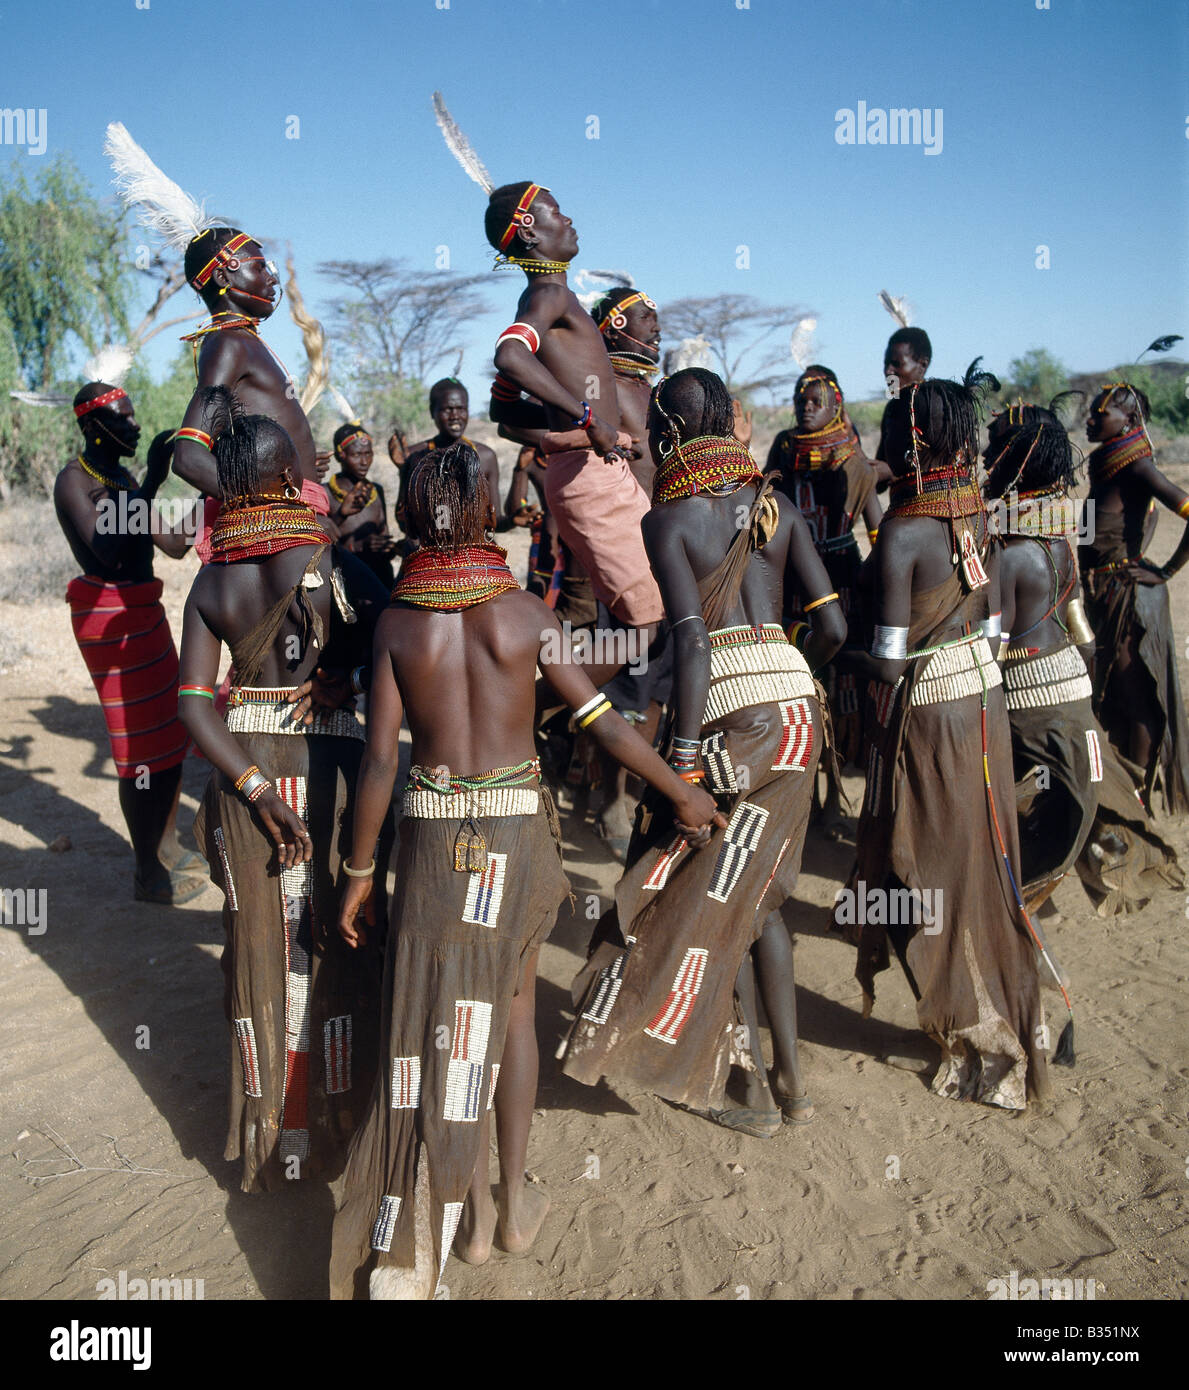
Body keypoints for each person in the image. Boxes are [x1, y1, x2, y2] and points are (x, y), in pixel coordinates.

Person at [329, 440, 719, 1299]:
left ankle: (443, 1209)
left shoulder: (396, 623)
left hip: (429, 839)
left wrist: (358, 872)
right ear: (482, 512)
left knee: (434, 1020)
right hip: (514, 837)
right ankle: (500, 1215)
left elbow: (382, 766)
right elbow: (605, 725)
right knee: (508, 1013)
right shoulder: (525, 616)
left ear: (410, 512)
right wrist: (681, 794)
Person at [561, 368, 846, 1137]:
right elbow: (835, 630)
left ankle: (737, 1076)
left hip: (727, 722)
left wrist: (683, 757)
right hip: (796, 719)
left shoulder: (670, 519)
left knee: (695, 887)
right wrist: (787, 673)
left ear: (670, 434)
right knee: (759, 896)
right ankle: (788, 1081)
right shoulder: (776, 506)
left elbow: (688, 641)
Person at [177, 387, 389, 1194]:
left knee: (259, 956)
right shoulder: (333, 561)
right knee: (334, 938)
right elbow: (396, 638)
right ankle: (340, 1122)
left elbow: (196, 705)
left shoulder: (213, 582)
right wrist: (343, 675)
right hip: (330, 765)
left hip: (245, 773)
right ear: (296, 476)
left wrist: (259, 791)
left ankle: (269, 1141)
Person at [840, 365, 1056, 1110]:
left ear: (913, 439)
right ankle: (1010, 1012)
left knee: (921, 874)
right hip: (984, 706)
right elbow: (991, 626)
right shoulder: (976, 514)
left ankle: (969, 1024)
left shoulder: (904, 531)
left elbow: (892, 661)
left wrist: (836, 649)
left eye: (893, 429)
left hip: (931, 719)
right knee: (984, 868)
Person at [985, 403, 1182, 915]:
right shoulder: (1058, 540)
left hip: (1028, 692)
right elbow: (1085, 637)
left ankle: (1004, 890)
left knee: (997, 786)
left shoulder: (1007, 550)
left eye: (995, 446)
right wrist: (1088, 694)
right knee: (1075, 771)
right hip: (1070, 682)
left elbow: (995, 650)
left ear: (1013, 461)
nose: (985, 455)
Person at [484, 183, 664, 650]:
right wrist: (588, 420)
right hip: (590, 479)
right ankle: (527, 710)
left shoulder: (556, 298)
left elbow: (502, 412)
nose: (569, 220)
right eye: (557, 213)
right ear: (529, 230)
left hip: (594, 470)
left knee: (646, 622)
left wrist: (566, 432)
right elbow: (509, 355)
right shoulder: (548, 295)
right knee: (646, 629)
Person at [55, 381, 203, 904]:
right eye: (124, 419)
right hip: (109, 619)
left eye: (134, 417)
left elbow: (170, 545)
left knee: (167, 730)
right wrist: (154, 481)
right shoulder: (74, 481)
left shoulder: (119, 478)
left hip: (144, 610)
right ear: (93, 427)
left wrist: (215, 493)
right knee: (138, 747)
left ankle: (166, 844)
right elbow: (110, 552)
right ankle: (146, 871)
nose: (136, 426)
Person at [766, 365, 882, 837]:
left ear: (836, 405)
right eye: (801, 401)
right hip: (794, 580)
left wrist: (874, 588)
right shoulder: (783, 449)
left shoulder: (853, 459)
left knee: (839, 691)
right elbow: (767, 508)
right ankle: (803, 796)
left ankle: (834, 796)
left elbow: (877, 531)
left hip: (841, 582)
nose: (805, 408)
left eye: (815, 401)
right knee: (796, 684)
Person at [168, 227, 336, 543]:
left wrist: (300, 464)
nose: (273, 279)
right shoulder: (228, 342)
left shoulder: (242, 341)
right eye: (260, 267)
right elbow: (188, 456)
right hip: (289, 520)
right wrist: (285, 511)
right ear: (223, 277)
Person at [1079, 381, 1189, 817]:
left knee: (1136, 689)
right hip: (1104, 591)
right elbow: (1102, 523)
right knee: (1116, 688)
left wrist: (1164, 570)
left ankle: (1138, 792)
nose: (1089, 420)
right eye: (1090, 413)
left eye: (1098, 414)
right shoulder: (1108, 463)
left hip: (1128, 596)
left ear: (1128, 420)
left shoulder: (1137, 465)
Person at [398, 379, 502, 546]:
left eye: (461, 409)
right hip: (430, 551)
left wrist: (515, 519)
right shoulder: (414, 456)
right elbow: (404, 520)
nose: (455, 416)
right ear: (432, 412)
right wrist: (403, 469)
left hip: (476, 552)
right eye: (447, 409)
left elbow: (497, 520)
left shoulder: (485, 455)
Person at [326, 421, 398, 588]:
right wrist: (342, 516)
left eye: (368, 453)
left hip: (380, 579)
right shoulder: (326, 493)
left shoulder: (376, 491)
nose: (365, 461)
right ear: (340, 455)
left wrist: (389, 548)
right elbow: (320, 544)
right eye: (357, 455)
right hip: (347, 582)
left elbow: (383, 535)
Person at [873, 327, 932, 484]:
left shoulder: (935, 406)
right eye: (886, 364)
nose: (888, 371)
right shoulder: (892, 409)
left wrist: (892, 472)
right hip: (899, 505)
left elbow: (940, 468)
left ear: (923, 365)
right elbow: (880, 477)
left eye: (896, 364)